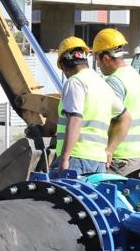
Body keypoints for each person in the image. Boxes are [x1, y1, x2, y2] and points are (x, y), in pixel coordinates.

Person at [53, 36, 131, 176]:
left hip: (76, 158)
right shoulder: (102, 84)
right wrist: (109, 150)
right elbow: (125, 118)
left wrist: (64, 159)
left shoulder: (75, 82)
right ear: (85, 60)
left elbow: (75, 119)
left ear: (64, 66)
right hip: (98, 160)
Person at [92, 28, 140, 176]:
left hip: (118, 156)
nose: (98, 65)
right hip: (136, 154)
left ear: (105, 58)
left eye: (97, 59)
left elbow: (110, 119)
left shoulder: (114, 81)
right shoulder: (135, 76)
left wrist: (109, 150)